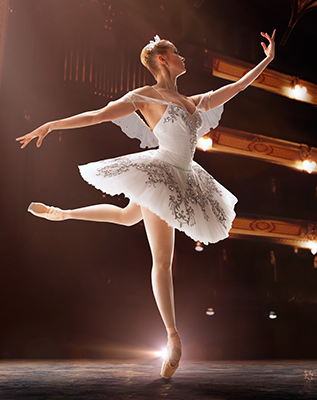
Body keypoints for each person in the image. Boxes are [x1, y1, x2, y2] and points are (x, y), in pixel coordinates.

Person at [15, 30, 276, 379]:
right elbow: (97, 115)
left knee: (126, 217)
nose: (184, 57)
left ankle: (63, 214)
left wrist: (267, 60)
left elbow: (238, 86)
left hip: (184, 174)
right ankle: (172, 336)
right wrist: (51, 124)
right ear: (164, 60)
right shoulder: (144, 96)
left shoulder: (193, 102)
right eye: (178, 53)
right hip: (162, 172)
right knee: (163, 260)